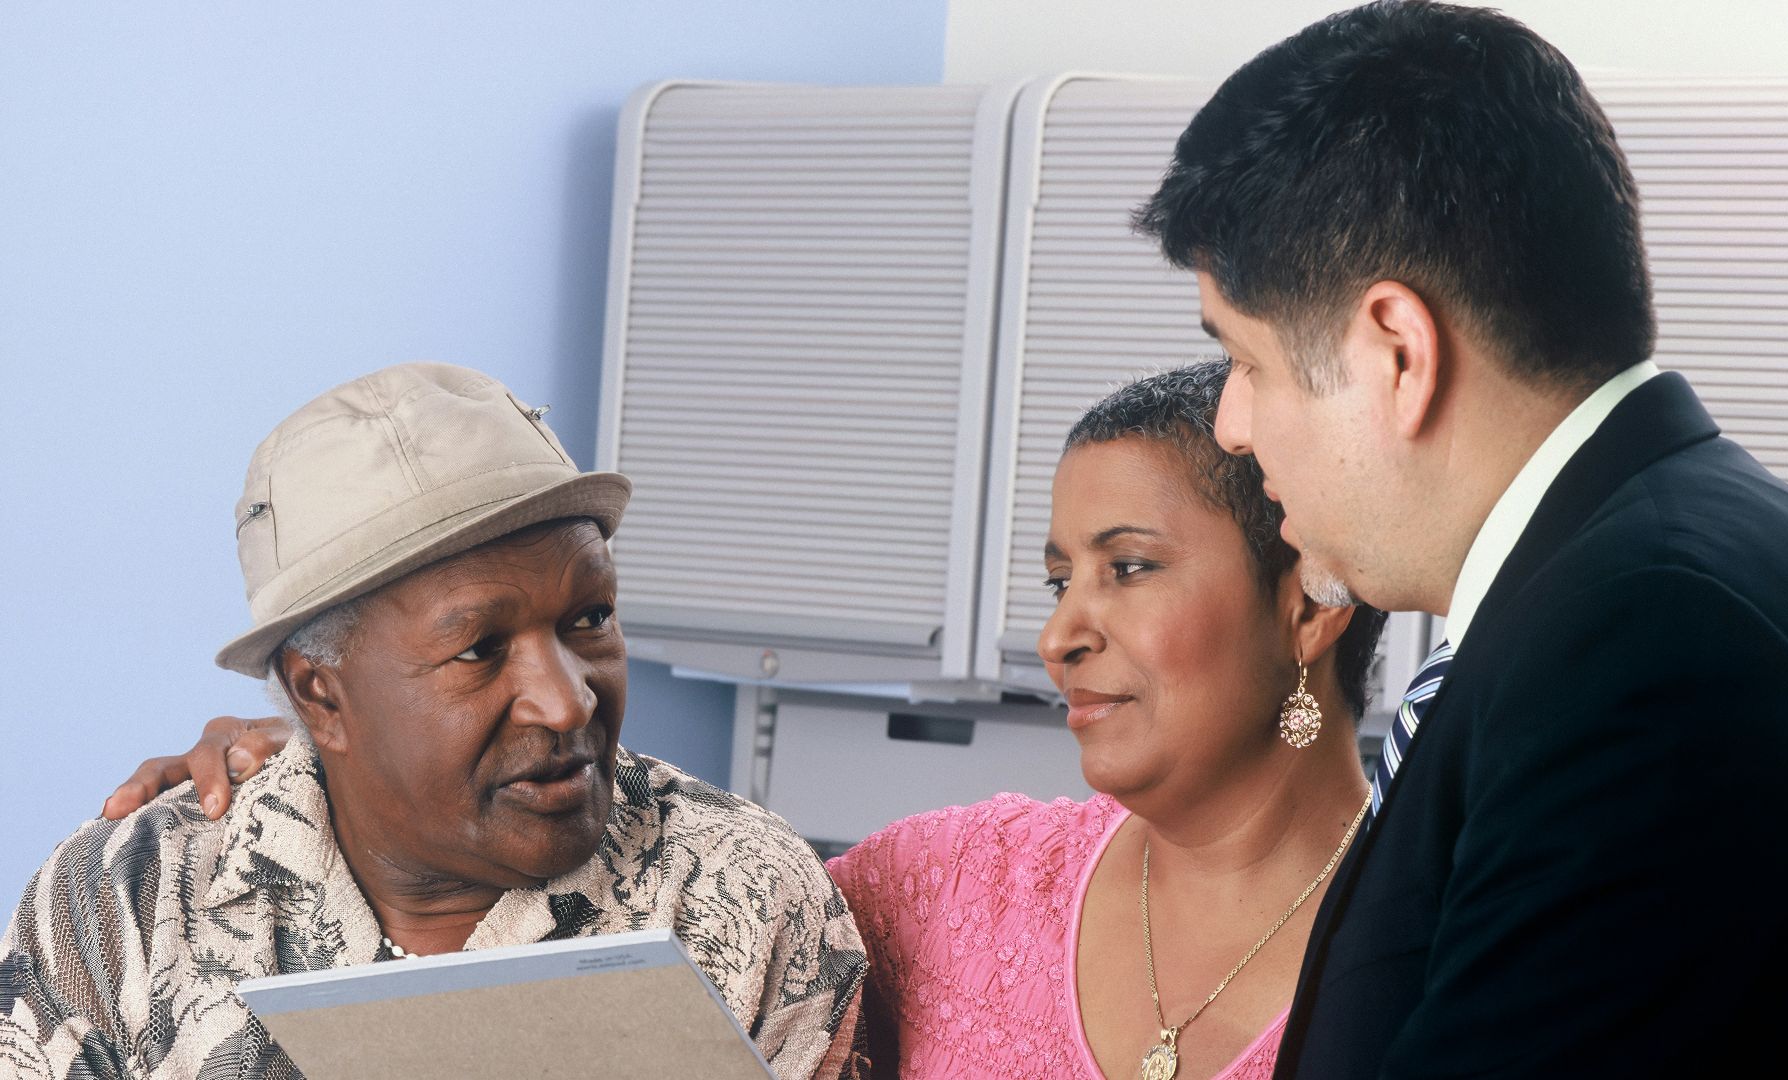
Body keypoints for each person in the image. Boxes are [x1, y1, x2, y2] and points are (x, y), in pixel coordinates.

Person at [104, 360, 1390, 1079]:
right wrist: (324, 767)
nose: (1061, 631)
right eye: (1058, 579)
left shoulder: (1453, 939)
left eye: (1130, 566)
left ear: (1311, 601)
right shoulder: (966, 886)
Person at [1133, 2, 1788, 1077]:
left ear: (1396, 353)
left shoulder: (1652, 650)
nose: (1231, 420)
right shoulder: (1649, 577)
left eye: (1248, 361)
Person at [1, 363, 866, 1080]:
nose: (568, 702)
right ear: (321, 698)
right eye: (481, 648)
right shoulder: (128, 898)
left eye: (590, 618)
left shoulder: (743, 895)